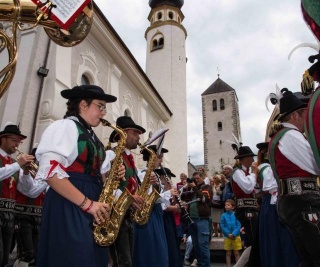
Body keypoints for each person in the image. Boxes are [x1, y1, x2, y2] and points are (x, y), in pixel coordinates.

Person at [23, 85, 126, 267]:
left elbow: (96, 174)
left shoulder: (92, 136)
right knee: (73, 258)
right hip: (70, 204)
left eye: (104, 108)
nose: (103, 113)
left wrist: (112, 175)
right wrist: (88, 204)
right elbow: (50, 173)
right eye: (100, 106)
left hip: (90, 204)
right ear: (83, 105)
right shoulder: (65, 127)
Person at [268, 88, 320, 266]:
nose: (307, 120)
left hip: (293, 201)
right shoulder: (291, 135)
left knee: (308, 258)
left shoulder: (282, 136)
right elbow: (315, 163)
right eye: (305, 114)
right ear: (295, 116)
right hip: (303, 200)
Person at [107, 116, 145, 267]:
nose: (138, 137)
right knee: (122, 262)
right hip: (115, 215)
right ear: (123, 133)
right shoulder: (111, 154)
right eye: (135, 133)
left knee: (127, 261)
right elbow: (109, 187)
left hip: (126, 215)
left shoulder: (129, 158)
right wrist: (131, 198)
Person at [256, 141, 300, 267]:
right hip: (273, 207)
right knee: (276, 240)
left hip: (275, 205)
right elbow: (270, 188)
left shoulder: (269, 167)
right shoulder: (265, 168)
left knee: (284, 240)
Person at [133, 145, 175, 267]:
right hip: (148, 216)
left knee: (159, 248)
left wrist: (167, 196)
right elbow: (146, 198)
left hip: (156, 214)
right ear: (151, 158)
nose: (161, 160)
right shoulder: (142, 174)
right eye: (159, 157)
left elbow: (158, 199)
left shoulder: (155, 174)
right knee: (150, 248)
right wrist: (168, 193)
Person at [0, 124, 35, 267]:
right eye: (14, 140)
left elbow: (28, 190)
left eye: (19, 141)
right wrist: (18, 165)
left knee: (4, 257)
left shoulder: (14, 163)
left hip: (9, 215)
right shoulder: (14, 164)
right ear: (2, 139)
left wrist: (26, 172)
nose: (17, 144)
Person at [13, 148, 46, 266]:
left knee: (36, 254)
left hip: (38, 216)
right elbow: (30, 191)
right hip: (23, 215)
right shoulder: (23, 171)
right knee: (27, 253)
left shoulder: (42, 174)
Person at [154, 167, 183, 267]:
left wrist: (176, 201)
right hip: (163, 218)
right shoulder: (159, 187)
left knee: (173, 242)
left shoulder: (168, 188)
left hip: (169, 218)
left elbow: (172, 204)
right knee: (168, 242)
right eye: (168, 177)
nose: (170, 179)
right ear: (163, 177)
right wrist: (175, 207)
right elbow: (163, 207)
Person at [231, 146, 258, 246]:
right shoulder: (237, 172)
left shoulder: (247, 172)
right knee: (251, 238)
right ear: (246, 159)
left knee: (253, 237)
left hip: (251, 207)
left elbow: (255, 189)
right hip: (244, 208)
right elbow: (247, 187)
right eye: (251, 157)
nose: (253, 160)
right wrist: (254, 174)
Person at [187, 171, 212, 267]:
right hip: (192, 219)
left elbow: (203, 198)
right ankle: (200, 264)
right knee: (196, 245)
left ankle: (206, 265)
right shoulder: (193, 189)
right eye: (194, 179)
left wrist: (194, 187)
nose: (196, 180)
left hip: (202, 219)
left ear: (202, 178)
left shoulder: (207, 187)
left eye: (197, 178)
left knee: (203, 245)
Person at [220, 199, 242, 267]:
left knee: (236, 253)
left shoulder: (236, 215)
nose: (226, 206)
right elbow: (222, 225)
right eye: (225, 205)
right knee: (228, 253)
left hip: (236, 236)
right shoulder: (223, 215)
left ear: (233, 207)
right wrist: (228, 234)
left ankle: (238, 265)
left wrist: (234, 234)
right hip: (227, 237)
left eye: (228, 205)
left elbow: (239, 225)